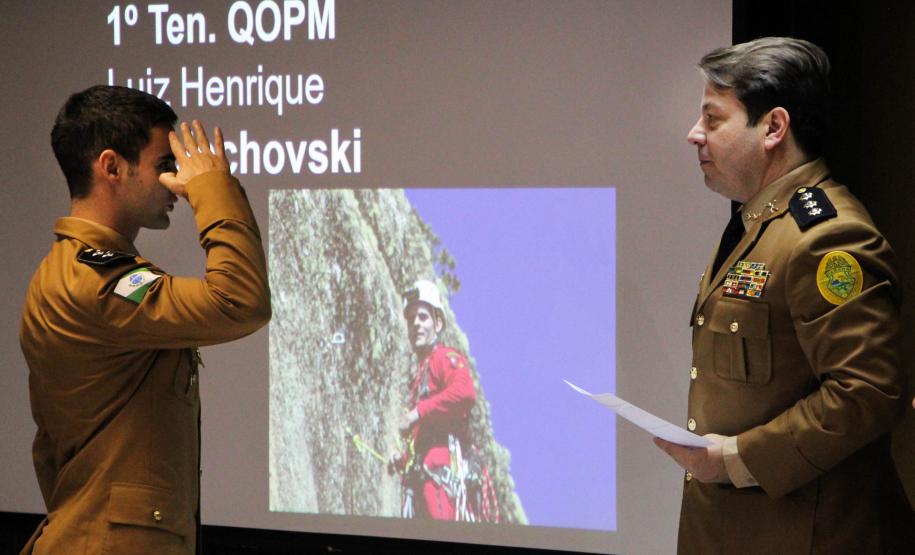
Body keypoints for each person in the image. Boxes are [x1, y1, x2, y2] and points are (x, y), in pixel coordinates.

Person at [653, 37, 913, 553]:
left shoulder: (825, 236)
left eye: (712, 118)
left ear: (773, 127)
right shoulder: (760, 223)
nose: (693, 135)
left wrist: (735, 459)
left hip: (804, 537)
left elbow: (866, 392)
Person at [19, 85, 270, 554]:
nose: (176, 181)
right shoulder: (95, 279)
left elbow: (51, 449)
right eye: (164, 166)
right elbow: (240, 299)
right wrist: (212, 187)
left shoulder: (85, 270)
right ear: (111, 167)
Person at [388, 279, 482, 521]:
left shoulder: (444, 358)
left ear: (437, 323)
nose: (416, 324)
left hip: (441, 472)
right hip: (423, 476)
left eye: (422, 317)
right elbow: (425, 431)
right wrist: (404, 459)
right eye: (411, 320)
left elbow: (464, 392)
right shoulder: (420, 375)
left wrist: (417, 412)